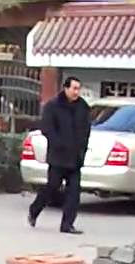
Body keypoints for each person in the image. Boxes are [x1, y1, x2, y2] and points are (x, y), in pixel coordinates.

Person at [28, 77, 91, 235]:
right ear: (66, 88)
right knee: (52, 187)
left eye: (78, 89)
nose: (76, 92)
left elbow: (86, 129)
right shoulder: (53, 106)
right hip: (58, 157)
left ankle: (67, 224)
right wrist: (59, 143)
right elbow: (46, 128)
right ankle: (34, 210)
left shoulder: (83, 107)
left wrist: (82, 147)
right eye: (74, 88)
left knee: (74, 193)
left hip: (75, 158)